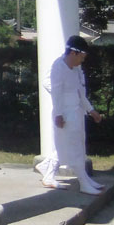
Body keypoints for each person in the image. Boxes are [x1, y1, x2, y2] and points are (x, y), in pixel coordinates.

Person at [36, 35, 104, 195]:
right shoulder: (58, 67)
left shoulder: (76, 68)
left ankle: (84, 179)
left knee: (78, 146)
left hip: (76, 112)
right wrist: (59, 114)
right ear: (73, 53)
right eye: (82, 57)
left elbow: (80, 92)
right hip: (65, 114)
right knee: (73, 149)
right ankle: (83, 183)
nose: (82, 61)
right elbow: (56, 92)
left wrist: (91, 110)